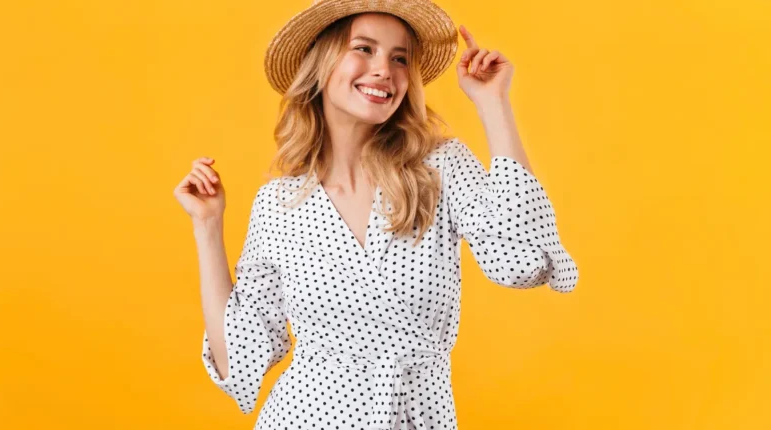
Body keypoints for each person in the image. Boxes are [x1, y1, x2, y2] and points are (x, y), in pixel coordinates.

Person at [173, 1, 579, 428]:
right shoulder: (279, 205)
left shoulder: (439, 170)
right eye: (364, 49)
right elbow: (239, 358)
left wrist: (493, 104)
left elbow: (523, 262)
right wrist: (207, 224)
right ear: (322, 64)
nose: (385, 69)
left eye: (400, 57)